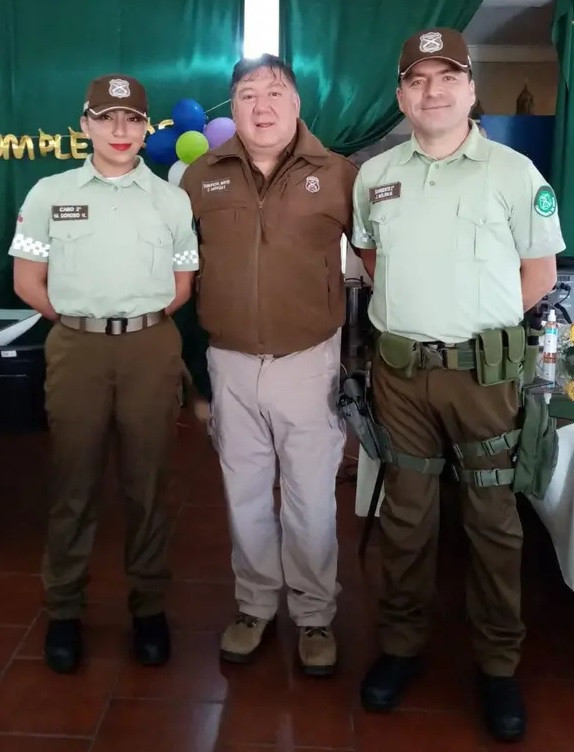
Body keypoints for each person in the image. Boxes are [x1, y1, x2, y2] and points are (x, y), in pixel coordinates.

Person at [352, 28, 564, 742]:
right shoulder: (375, 175)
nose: (432, 91)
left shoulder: (515, 174)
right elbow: (372, 259)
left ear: (471, 90)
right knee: (407, 517)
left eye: (448, 78)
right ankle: (401, 647)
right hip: (402, 374)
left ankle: (498, 664)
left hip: (484, 375)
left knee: (493, 522)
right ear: (401, 95)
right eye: (417, 80)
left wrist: (470, 328)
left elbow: (537, 277)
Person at [9, 74, 199, 673]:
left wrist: (132, 319)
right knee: (73, 483)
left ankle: (148, 608)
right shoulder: (48, 192)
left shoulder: (172, 199)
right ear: (86, 123)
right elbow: (25, 280)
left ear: (148, 129)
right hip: (76, 348)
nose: (121, 131)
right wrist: (81, 320)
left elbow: (182, 285)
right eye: (107, 118)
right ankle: (64, 609)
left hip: (150, 347)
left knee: (149, 486)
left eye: (132, 120)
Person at [180, 54, 357, 675]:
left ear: (297, 103)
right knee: (245, 493)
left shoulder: (338, 174)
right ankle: (254, 605)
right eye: (248, 93)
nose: (262, 105)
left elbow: (377, 265)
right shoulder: (200, 178)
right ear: (233, 107)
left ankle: (314, 616)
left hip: (310, 361)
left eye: (275, 91)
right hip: (228, 363)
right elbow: (182, 276)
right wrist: (196, 384)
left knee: (311, 498)